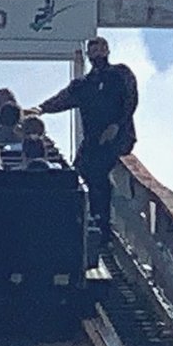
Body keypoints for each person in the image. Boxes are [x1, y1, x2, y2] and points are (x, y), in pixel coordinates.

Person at [34, 36, 138, 244]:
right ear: (89, 54)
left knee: (100, 176)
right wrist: (41, 109)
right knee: (78, 174)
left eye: (101, 49)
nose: (98, 53)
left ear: (108, 50)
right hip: (93, 141)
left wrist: (117, 125)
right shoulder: (84, 84)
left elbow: (131, 99)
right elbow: (63, 99)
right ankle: (86, 225)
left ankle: (103, 228)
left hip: (117, 138)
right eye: (93, 50)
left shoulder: (120, 73)